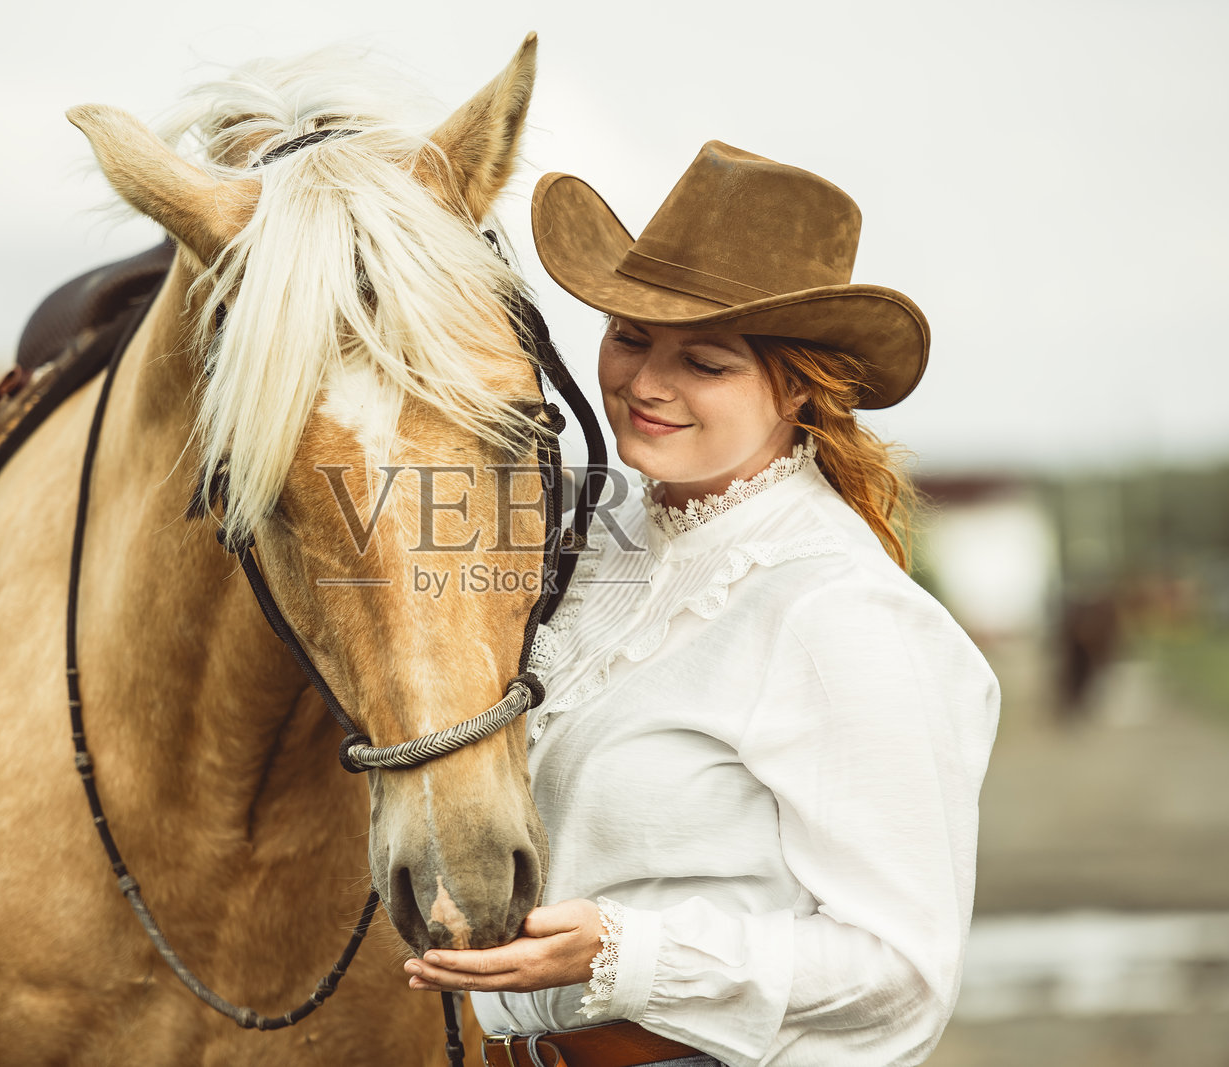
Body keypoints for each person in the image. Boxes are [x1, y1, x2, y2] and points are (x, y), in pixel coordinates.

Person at [401, 141, 1000, 1067]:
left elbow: (904, 970)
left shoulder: (840, 610)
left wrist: (625, 952)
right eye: (629, 335)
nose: (644, 384)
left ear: (798, 386)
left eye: (705, 363)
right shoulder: (589, 537)